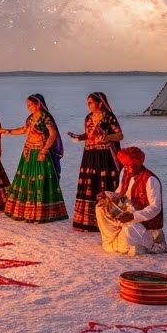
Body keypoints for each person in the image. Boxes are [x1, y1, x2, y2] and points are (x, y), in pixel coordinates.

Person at [0, 94, 68, 223]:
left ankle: (42, 212)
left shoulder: (45, 117)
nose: (29, 107)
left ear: (38, 104)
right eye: (27, 105)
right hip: (29, 152)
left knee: (40, 181)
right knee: (27, 181)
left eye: (31, 105)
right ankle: (27, 210)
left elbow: (53, 134)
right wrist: (6, 131)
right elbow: (24, 130)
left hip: (40, 152)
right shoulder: (31, 118)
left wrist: (44, 150)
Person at [66, 91, 124, 232]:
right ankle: (88, 220)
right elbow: (89, 134)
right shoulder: (88, 118)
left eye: (91, 102)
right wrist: (79, 137)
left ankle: (108, 218)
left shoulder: (109, 117)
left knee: (103, 184)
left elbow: (120, 135)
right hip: (90, 155)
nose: (89, 105)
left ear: (100, 103)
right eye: (88, 102)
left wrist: (106, 135)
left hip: (105, 155)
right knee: (90, 183)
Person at [94, 146, 166, 255]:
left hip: (143, 223)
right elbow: (120, 193)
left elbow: (155, 208)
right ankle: (112, 239)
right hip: (126, 213)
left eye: (129, 166)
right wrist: (107, 195)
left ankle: (146, 243)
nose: (126, 168)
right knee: (101, 207)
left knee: (125, 241)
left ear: (138, 164)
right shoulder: (125, 172)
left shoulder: (150, 180)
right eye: (125, 165)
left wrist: (133, 216)